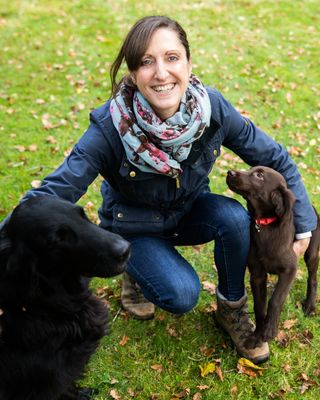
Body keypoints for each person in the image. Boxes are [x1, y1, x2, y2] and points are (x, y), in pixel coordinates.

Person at [0, 15, 316, 364]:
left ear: (188, 63)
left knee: (231, 216)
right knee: (181, 294)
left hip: (188, 211)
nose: (161, 73)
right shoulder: (109, 126)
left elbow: (274, 157)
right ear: (134, 73)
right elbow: (54, 191)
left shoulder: (212, 109)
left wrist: (303, 223)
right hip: (134, 227)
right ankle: (134, 274)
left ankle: (231, 308)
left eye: (171, 58)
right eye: (147, 62)